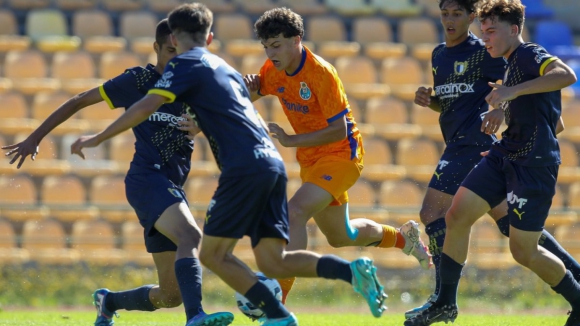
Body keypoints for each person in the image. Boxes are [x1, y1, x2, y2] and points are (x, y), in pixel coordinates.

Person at [70, 3, 388, 326]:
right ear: (210, 38)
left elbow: (146, 105)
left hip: (243, 168)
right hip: (271, 164)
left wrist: (98, 137)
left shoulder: (184, 67)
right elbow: (234, 109)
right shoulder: (224, 68)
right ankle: (347, 273)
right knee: (274, 261)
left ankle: (268, 314)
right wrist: (200, 122)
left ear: (176, 41)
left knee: (210, 253)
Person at [3, 19, 233, 326]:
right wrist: (35, 137)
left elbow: (230, 112)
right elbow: (80, 100)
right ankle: (196, 317)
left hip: (171, 185)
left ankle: (109, 301)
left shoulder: (195, 84)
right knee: (190, 234)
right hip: (146, 179)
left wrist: (203, 124)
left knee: (170, 294)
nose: (175, 59)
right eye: (168, 51)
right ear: (155, 48)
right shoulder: (139, 81)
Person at [404, 0, 580, 325]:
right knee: (456, 215)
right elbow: (530, 108)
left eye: (491, 32)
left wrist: (510, 97)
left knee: (521, 249)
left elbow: (565, 74)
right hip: (501, 154)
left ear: (514, 30)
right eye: (484, 32)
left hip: (525, 160)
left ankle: (578, 296)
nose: (486, 38)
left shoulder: (525, 54)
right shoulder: (503, 62)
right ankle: (444, 302)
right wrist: (504, 109)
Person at [243, 7, 432, 303]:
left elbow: (338, 131)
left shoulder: (320, 73)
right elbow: (247, 96)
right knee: (340, 236)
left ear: (297, 39)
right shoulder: (272, 70)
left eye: (276, 45)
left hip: (342, 154)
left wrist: (291, 140)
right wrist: (233, 95)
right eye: (266, 46)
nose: (270, 53)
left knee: (294, 212)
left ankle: (278, 298)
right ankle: (402, 239)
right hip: (312, 160)